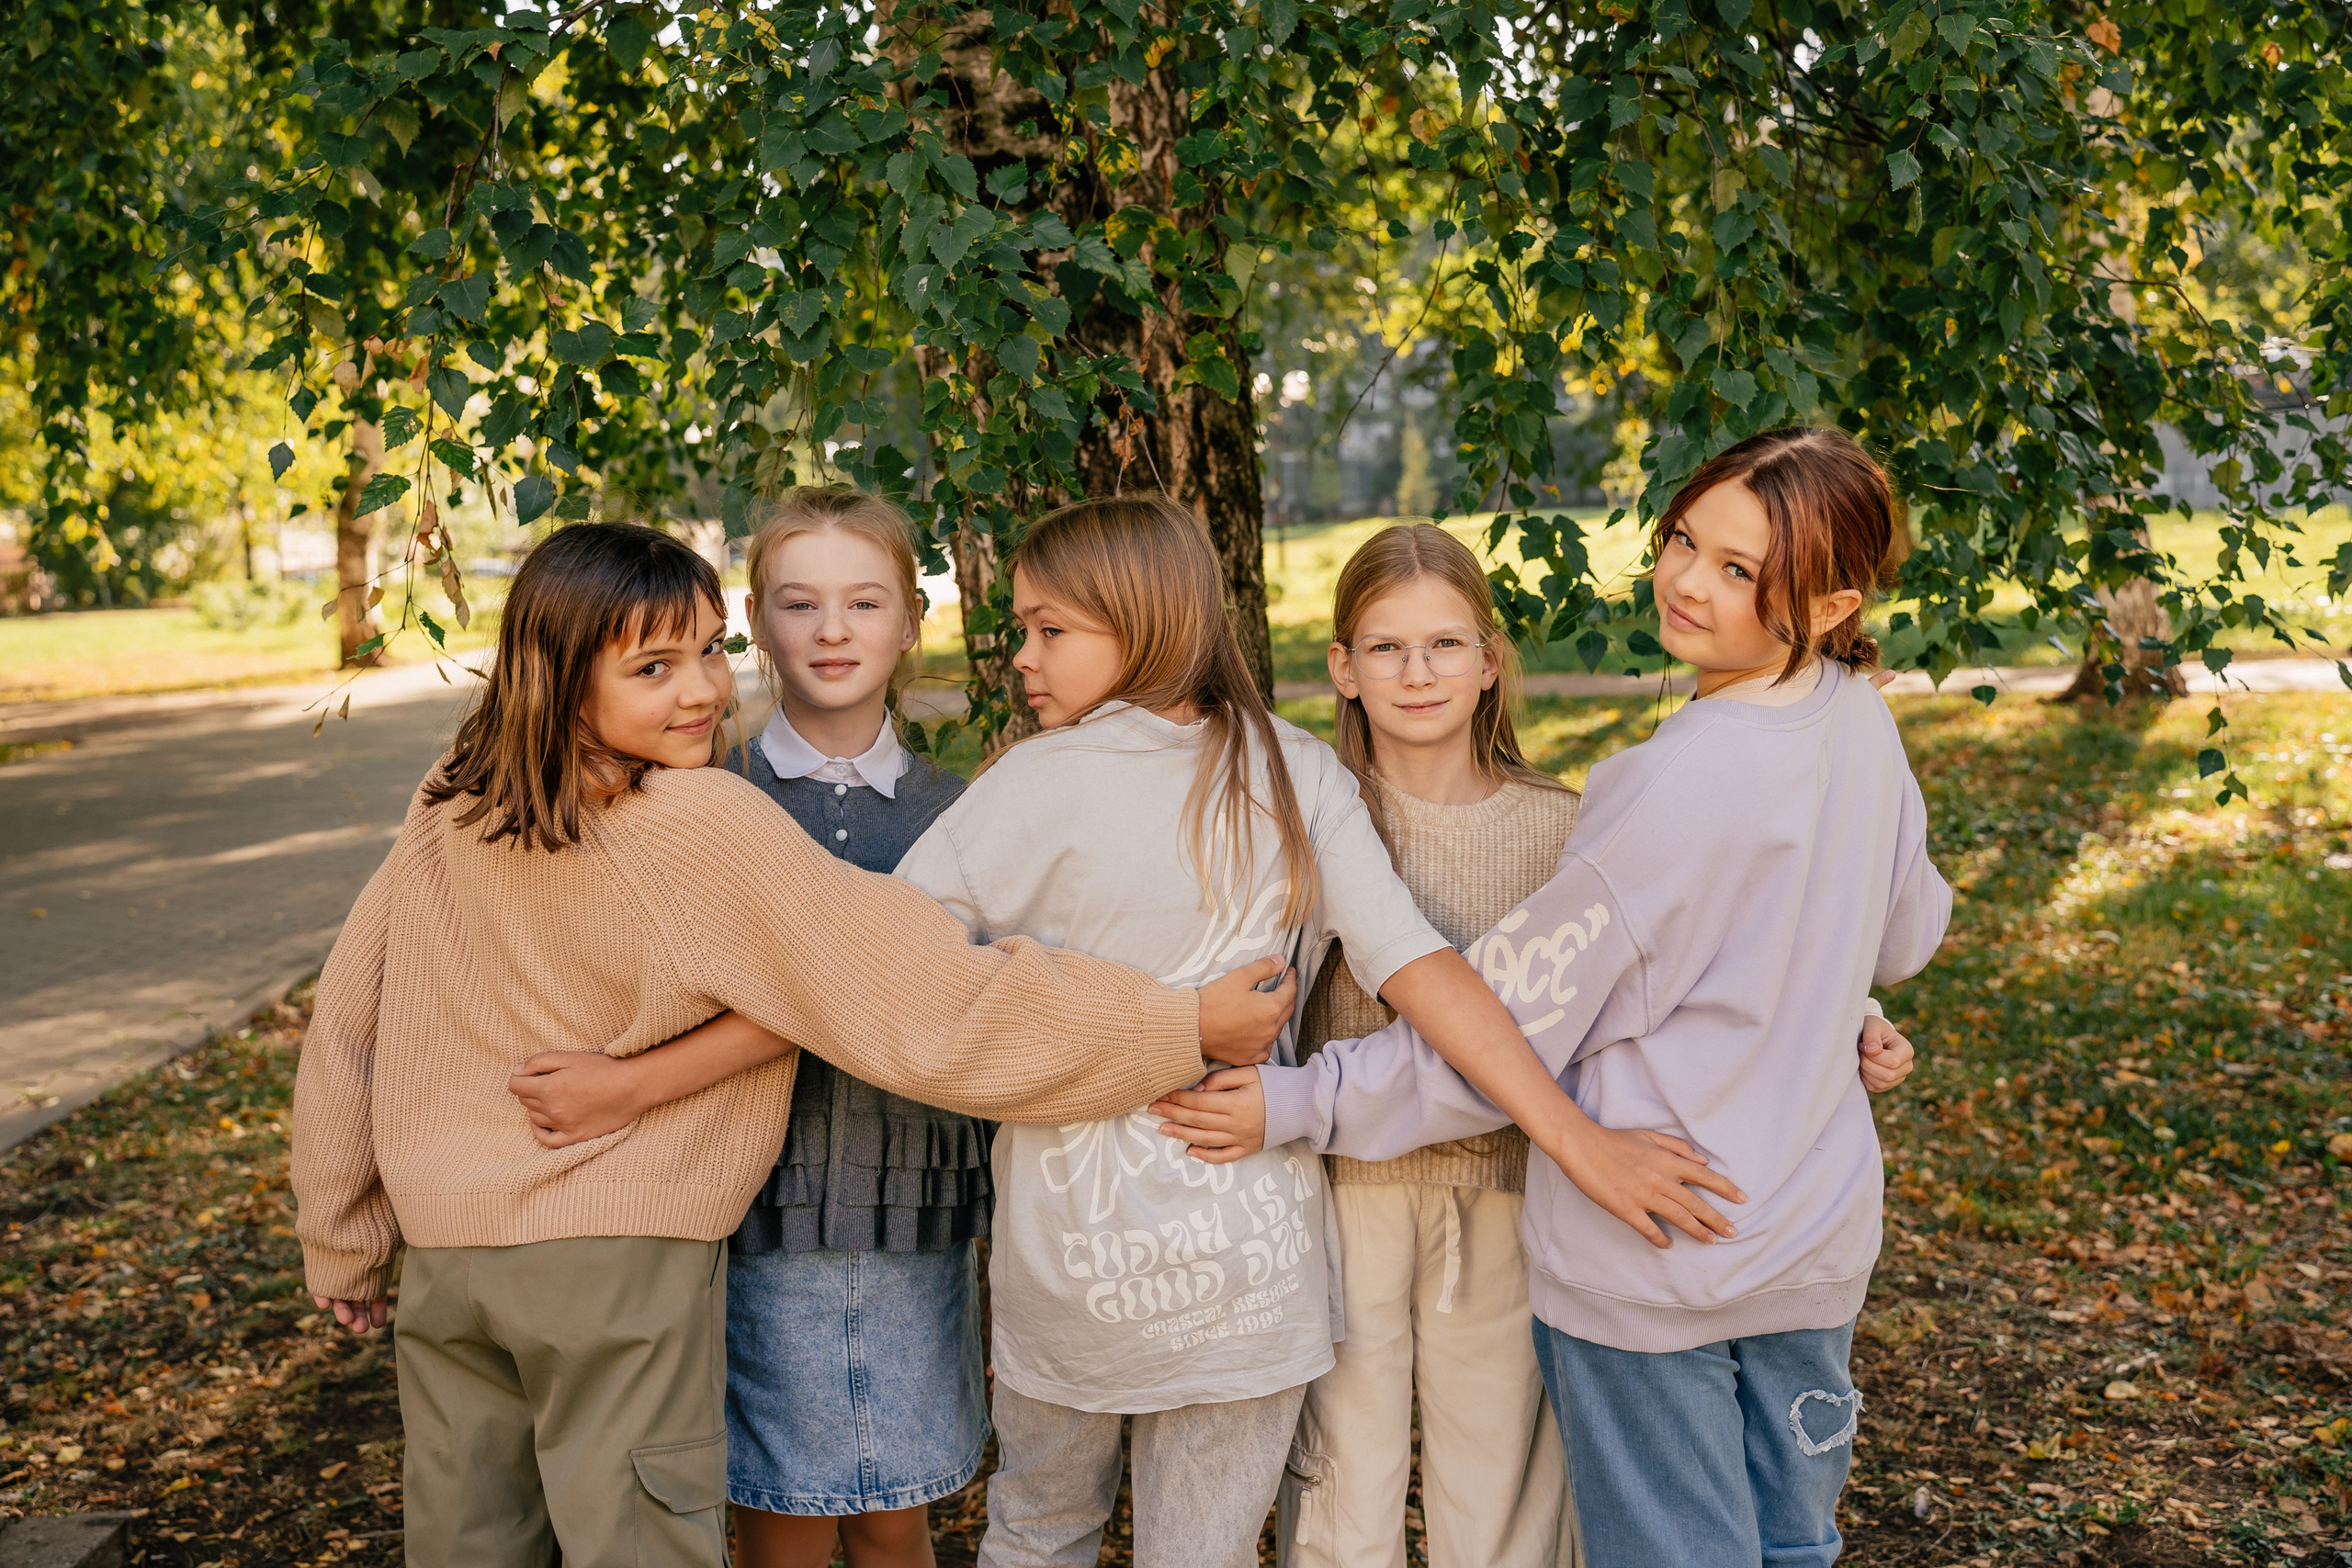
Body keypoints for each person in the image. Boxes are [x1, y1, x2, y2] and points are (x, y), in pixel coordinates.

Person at [290, 519, 1296, 1568]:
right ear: (559, 678)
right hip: (613, 1258)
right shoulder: (698, 818)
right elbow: (918, 992)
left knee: (469, 1539)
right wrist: (1176, 1024)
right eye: (653, 668)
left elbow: (352, 1014)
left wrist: (343, 1230)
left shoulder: (454, 798)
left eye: (707, 652)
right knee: (636, 1542)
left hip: (448, 1261)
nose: (701, 692)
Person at [1158, 427, 1953, 1568]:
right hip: (1809, 1245)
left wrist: (1296, 1102)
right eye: (1685, 540)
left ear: (1828, 606)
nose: (1686, 581)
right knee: (1791, 1548)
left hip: (1657, 1249)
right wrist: (1837, 1002)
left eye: (1739, 570)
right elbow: (1901, 933)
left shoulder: (1670, 779)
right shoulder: (1861, 718)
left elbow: (1503, 1022)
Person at [891, 495, 1725, 1568]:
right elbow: (1421, 971)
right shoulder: (1290, 770)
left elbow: (886, 962)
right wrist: (1576, 1138)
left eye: (1048, 629)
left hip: (1126, 1262)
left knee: (1042, 1534)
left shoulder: (1083, 781)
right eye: (1025, 630)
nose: (1021, 657)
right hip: (1238, 1266)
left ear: (1142, 619)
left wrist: (1574, 1140)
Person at [718, 489, 986, 1568]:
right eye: (800, 603)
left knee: (892, 1520)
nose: (833, 631)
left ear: (911, 620)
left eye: (865, 602)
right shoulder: (708, 797)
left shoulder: (965, 813)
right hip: (754, 1209)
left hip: (913, 1207)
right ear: (755, 619)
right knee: (779, 1520)